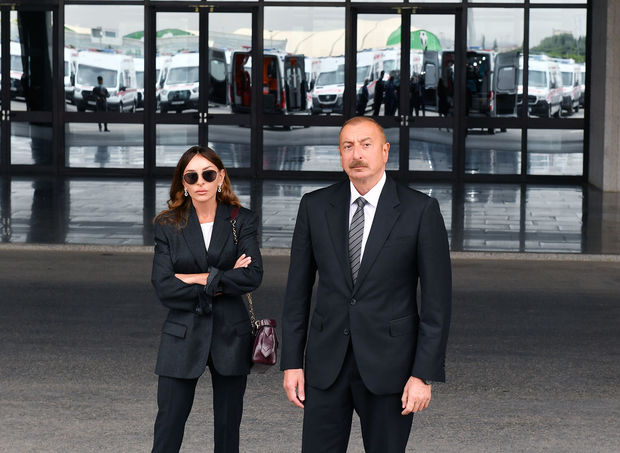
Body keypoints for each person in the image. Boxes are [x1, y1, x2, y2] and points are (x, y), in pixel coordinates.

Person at [281, 116, 452, 453]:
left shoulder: (420, 210)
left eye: (365, 145)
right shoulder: (314, 206)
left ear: (385, 151)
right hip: (326, 363)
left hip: (391, 366)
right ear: (340, 154)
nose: (356, 154)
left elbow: (437, 304)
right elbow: (296, 294)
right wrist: (292, 362)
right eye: (348, 146)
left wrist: (423, 374)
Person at [151, 145, 263, 453]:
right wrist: (224, 276)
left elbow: (252, 276)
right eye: (192, 176)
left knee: (228, 431)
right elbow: (163, 286)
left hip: (231, 334)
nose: (200, 182)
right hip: (182, 333)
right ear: (183, 183)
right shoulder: (168, 224)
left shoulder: (242, 220)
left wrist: (191, 277)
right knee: (168, 426)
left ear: (221, 177)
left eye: (208, 174)